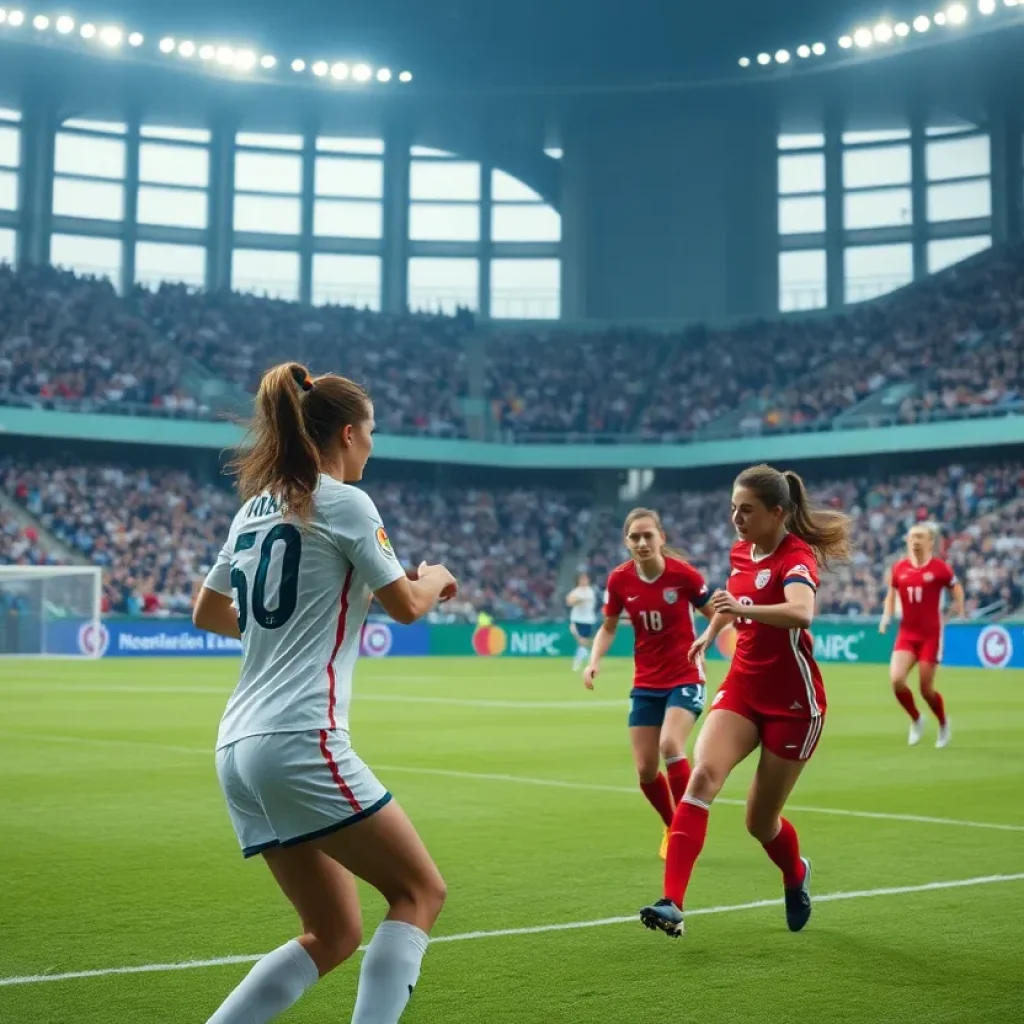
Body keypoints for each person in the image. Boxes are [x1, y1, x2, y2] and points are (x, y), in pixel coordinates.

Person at [193, 362, 458, 1024]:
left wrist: (276, 634)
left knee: (334, 932)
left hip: (236, 748)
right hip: (300, 738)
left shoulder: (255, 507)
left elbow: (206, 610)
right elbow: (405, 605)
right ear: (347, 433)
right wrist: (438, 579)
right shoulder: (343, 501)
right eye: (370, 433)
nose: (372, 445)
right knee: (420, 891)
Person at [639, 464, 851, 939]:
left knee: (760, 821)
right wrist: (712, 628)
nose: (736, 517)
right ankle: (672, 902)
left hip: (794, 707)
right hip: (743, 690)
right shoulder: (742, 551)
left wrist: (744, 610)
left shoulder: (795, 558)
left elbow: (802, 612)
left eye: (747, 510)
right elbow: (732, 599)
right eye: (734, 508)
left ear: (777, 513)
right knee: (701, 777)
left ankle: (795, 873)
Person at [583, 508, 712, 860]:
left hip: (685, 674)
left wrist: (707, 642)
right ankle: (673, 825)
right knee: (644, 768)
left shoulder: (683, 576)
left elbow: (715, 615)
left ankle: (690, 828)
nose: (641, 542)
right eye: (635, 537)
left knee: (671, 743)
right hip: (646, 681)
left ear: (661, 538)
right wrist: (594, 661)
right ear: (627, 542)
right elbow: (608, 627)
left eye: (647, 535)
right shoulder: (619, 580)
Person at [879, 523, 965, 748]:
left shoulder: (940, 568)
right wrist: (886, 616)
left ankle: (943, 723)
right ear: (907, 540)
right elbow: (891, 594)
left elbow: (956, 588)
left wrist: (959, 607)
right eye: (912, 537)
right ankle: (917, 719)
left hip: (930, 635)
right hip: (907, 634)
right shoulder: (899, 568)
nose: (915, 541)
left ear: (930, 542)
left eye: (920, 537)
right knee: (897, 681)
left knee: (926, 689)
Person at [566, 570, 599, 672]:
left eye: (585, 579)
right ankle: (579, 662)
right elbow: (569, 601)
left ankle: (584, 659)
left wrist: (578, 600)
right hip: (577, 620)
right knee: (581, 641)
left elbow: (576, 600)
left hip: (588, 620)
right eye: (581, 579)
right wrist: (576, 600)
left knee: (584, 642)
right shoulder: (576, 591)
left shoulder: (590, 591)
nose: (583, 581)